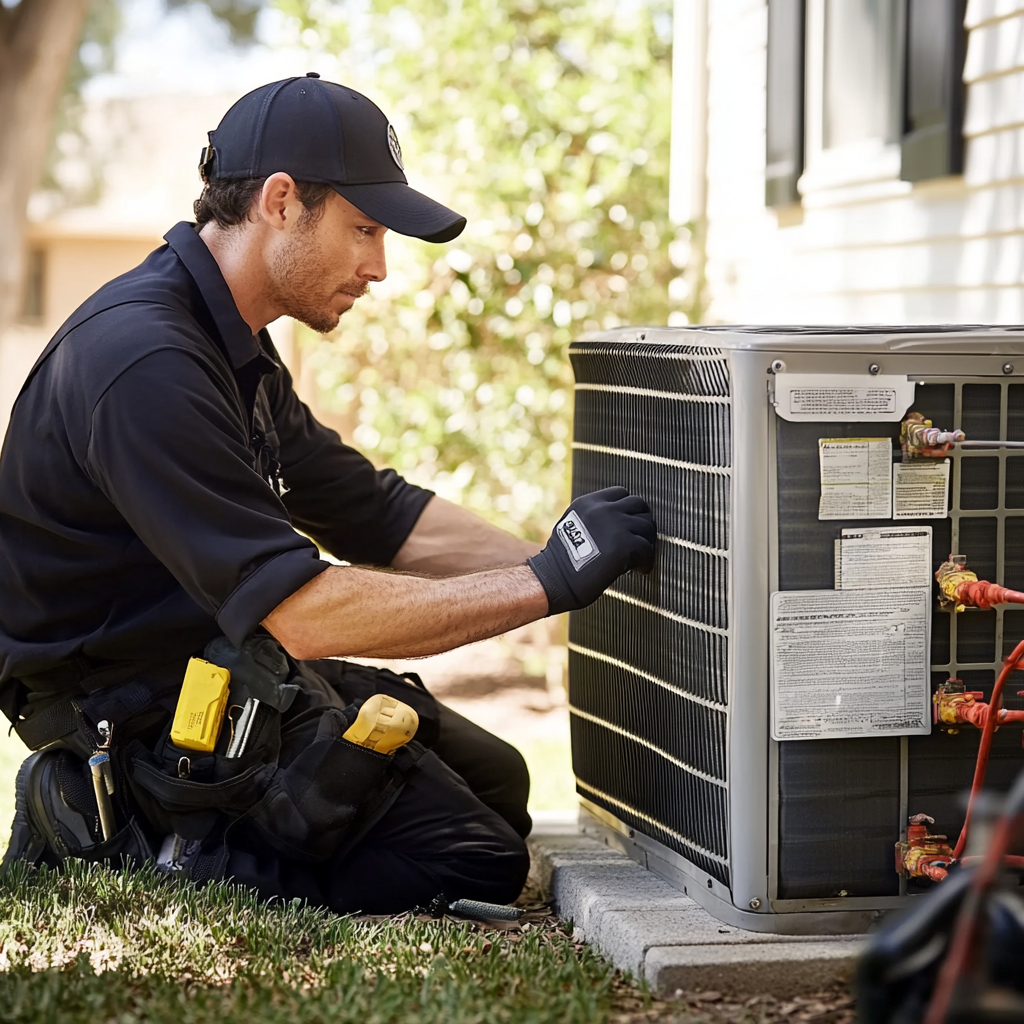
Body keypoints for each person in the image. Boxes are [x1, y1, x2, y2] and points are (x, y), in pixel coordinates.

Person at [0, 75, 656, 913]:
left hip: (218, 668)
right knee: (471, 859)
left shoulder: (232, 346)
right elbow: (306, 614)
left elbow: (378, 513)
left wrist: (567, 550)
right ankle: (136, 846)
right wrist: (546, 584)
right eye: (365, 229)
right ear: (281, 202)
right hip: (128, 714)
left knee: (502, 781)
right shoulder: (148, 363)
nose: (380, 267)